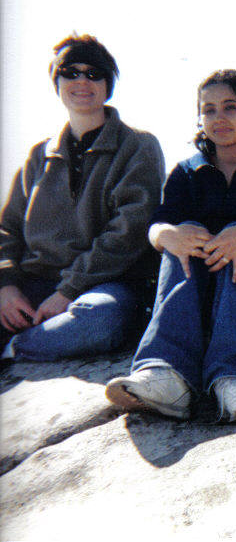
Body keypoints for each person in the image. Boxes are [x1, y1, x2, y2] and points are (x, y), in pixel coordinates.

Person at [105, 70, 236, 422]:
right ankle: (167, 376)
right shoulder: (188, 172)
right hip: (208, 296)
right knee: (183, 231)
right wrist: (165, 235)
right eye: (209, 110)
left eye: (230, 107)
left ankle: (234, 375)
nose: (218, 118)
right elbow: (159, 222)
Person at [0, 33, 164, 364]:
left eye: (94, 73)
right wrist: (6, 286)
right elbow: (7, 229)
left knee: (102, 321)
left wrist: (67, 292)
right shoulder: (38, 156)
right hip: (33, 285)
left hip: (102, 287)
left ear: (108, 83)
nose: (82, 81)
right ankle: (38, 338)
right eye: (70, 72)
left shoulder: (137, 146)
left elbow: (128, 231)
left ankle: (15, 349)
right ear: (56, 80)